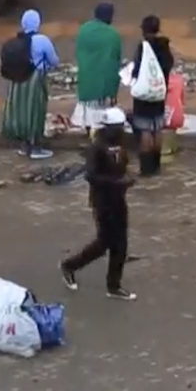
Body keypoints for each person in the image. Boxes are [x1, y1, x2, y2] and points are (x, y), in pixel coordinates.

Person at [60, 107, 136, 301]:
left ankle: (114, 285)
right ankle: (70, 265)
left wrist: (127, 178)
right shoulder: (97, 147)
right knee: (105, 243)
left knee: (121, 244)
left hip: (119, 198)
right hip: (103, 201)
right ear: (108, 127)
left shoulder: (120, 143)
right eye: (117, 128)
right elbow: (91, 176)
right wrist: (116, 182)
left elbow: (122, 166)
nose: (121, 131)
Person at [1, 9, 59, 160]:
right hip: (34, 81)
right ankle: (35, 148)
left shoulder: (16, 40)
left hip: (17, 82)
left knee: (21, 112)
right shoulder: (42, 40)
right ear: (38, 23)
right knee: (35, 112)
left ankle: (23, 146)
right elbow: (54, 61)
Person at [130, 15, 174, 177]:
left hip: (144, 95)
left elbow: (136, 70)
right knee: (157, 126)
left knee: (145, 128)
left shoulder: (143, 48)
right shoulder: (165, 46)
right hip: (159, 92)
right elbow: (168, 66)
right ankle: (157, 164)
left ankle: (147, 167)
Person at [72, 2, 122, 136]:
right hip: (104, 83)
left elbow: (78, 53)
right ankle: (99, 143)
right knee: (101, 117)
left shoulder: (84, 29)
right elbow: (115, 61)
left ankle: (90, 139)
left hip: (86, 79)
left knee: (88, 113)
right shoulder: (112, 34)